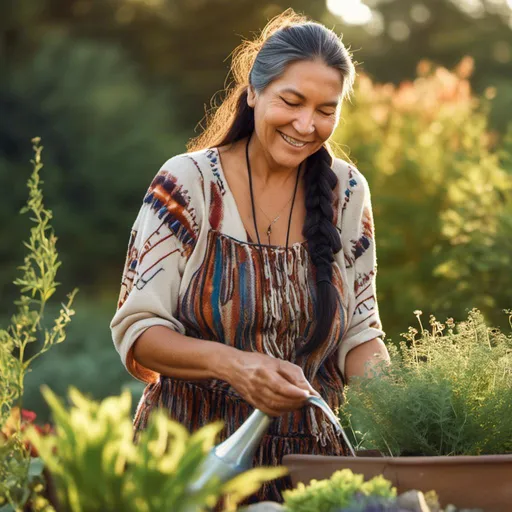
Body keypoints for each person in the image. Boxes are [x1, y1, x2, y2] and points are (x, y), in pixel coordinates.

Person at [110, 9, 390, 503]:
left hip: (310, 475)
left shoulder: (347, 192)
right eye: (292, 101)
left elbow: (361, 334)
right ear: (254, 93)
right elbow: (139, 331)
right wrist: (235, 365)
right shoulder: (189, 184)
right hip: (189, 467)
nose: (307, 124)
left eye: (326, 110)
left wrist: (400, 413)